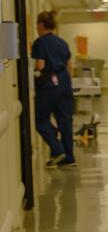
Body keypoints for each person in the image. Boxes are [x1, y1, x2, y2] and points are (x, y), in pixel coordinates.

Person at [31, 11, 75, 168]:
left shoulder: (40, 42)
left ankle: (57, 149)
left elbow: (40, 66)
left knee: (39, 119)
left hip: (49, 84)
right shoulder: (62, 42)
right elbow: (70, 66)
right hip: (64, 82)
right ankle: (69, 159)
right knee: (66, 122)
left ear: (41, 25)